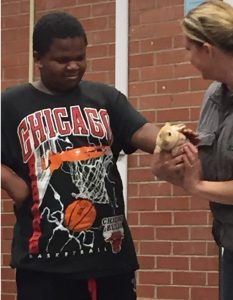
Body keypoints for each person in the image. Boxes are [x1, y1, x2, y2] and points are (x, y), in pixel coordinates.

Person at [1, 12, 159, 300]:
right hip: (45, 265)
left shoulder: (105, 98)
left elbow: (142, 131)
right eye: (62, 60)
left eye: (80, 58)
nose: (73, 66)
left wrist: (170, 140)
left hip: (109, 259)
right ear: (38, 59)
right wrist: (14, 185)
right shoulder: (12, 104)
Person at [151, 1, 233, 300]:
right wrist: (170, 167)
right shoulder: (214, 95)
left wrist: (197, 187)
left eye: (188, 49)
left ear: (207, 49)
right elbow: (212, 166)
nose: (188, 58)